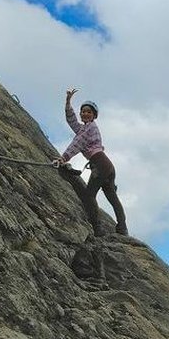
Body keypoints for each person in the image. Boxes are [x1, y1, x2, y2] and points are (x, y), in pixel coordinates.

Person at [58, 88, 128, 237]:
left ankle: (98, 229)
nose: (85, 113)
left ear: (94, 115)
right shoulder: (84, 128)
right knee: (112, 197)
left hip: (100, 165)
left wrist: (63, 158)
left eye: (89, 112)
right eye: (83, 111)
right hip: (105, 165)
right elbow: (72, 121)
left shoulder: (89, 128)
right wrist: (68, 102)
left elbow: (77, 143)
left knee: (89, 196)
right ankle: (122, 228)